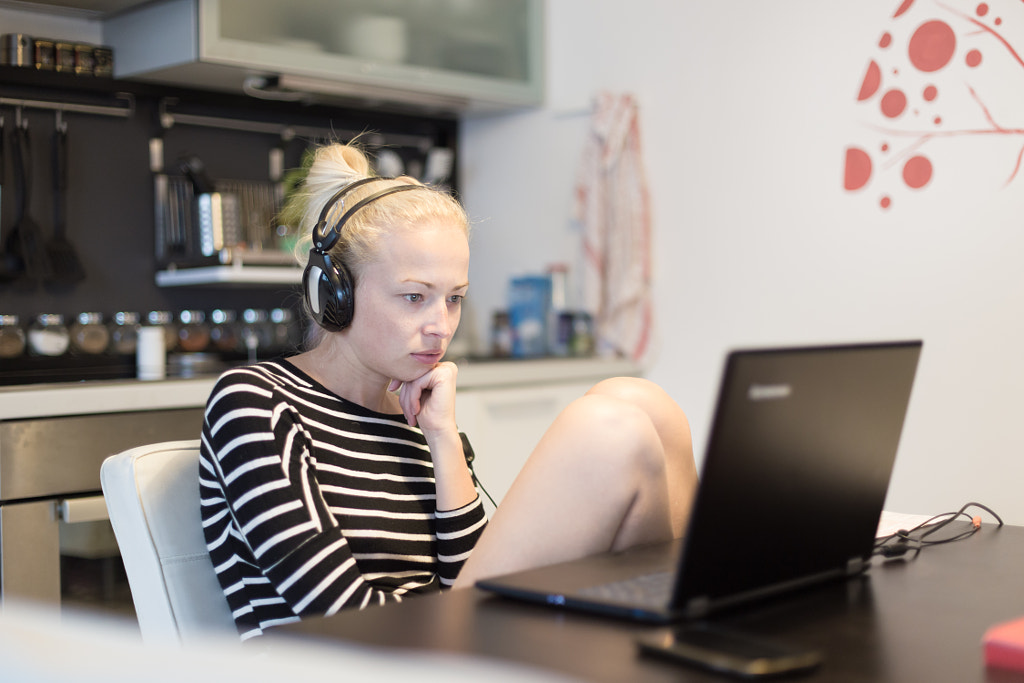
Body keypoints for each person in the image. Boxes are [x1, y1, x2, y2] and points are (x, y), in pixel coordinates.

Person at [199, 141, 698, 641]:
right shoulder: (255, 402)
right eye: (414, 297)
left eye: (454, 298)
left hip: (449, 650)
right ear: (334, 293)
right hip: (357, 661)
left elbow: (462, 576)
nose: (441, 326)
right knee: (613, 429)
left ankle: (682, 645)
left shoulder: (420, 414)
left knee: (644, 404)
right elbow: (342, 620)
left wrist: (442, 440)